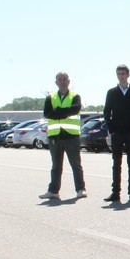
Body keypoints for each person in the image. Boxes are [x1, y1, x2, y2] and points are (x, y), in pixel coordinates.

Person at [39, 72, 87, 200]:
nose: (62, 81)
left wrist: (58, 112)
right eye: (59, 79)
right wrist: (64, 112)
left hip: (71, 136)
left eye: (64, 79)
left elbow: (75, 109)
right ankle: (53, 191)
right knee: (56, 166)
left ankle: (80, 189)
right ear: (56, 82)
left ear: (68, 81)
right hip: (55, 137)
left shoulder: (75, 96)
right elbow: (47, 113)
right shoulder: (51, 97)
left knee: (76, 164)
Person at [103, 64, 130, 202]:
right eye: (118, 74)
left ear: (128, 74)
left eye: (123, 73)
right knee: (116, 163)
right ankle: (115, 193)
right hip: (117, 133)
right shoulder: (112, 92)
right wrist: (112, 130)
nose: (121, 76)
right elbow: (107, 112)